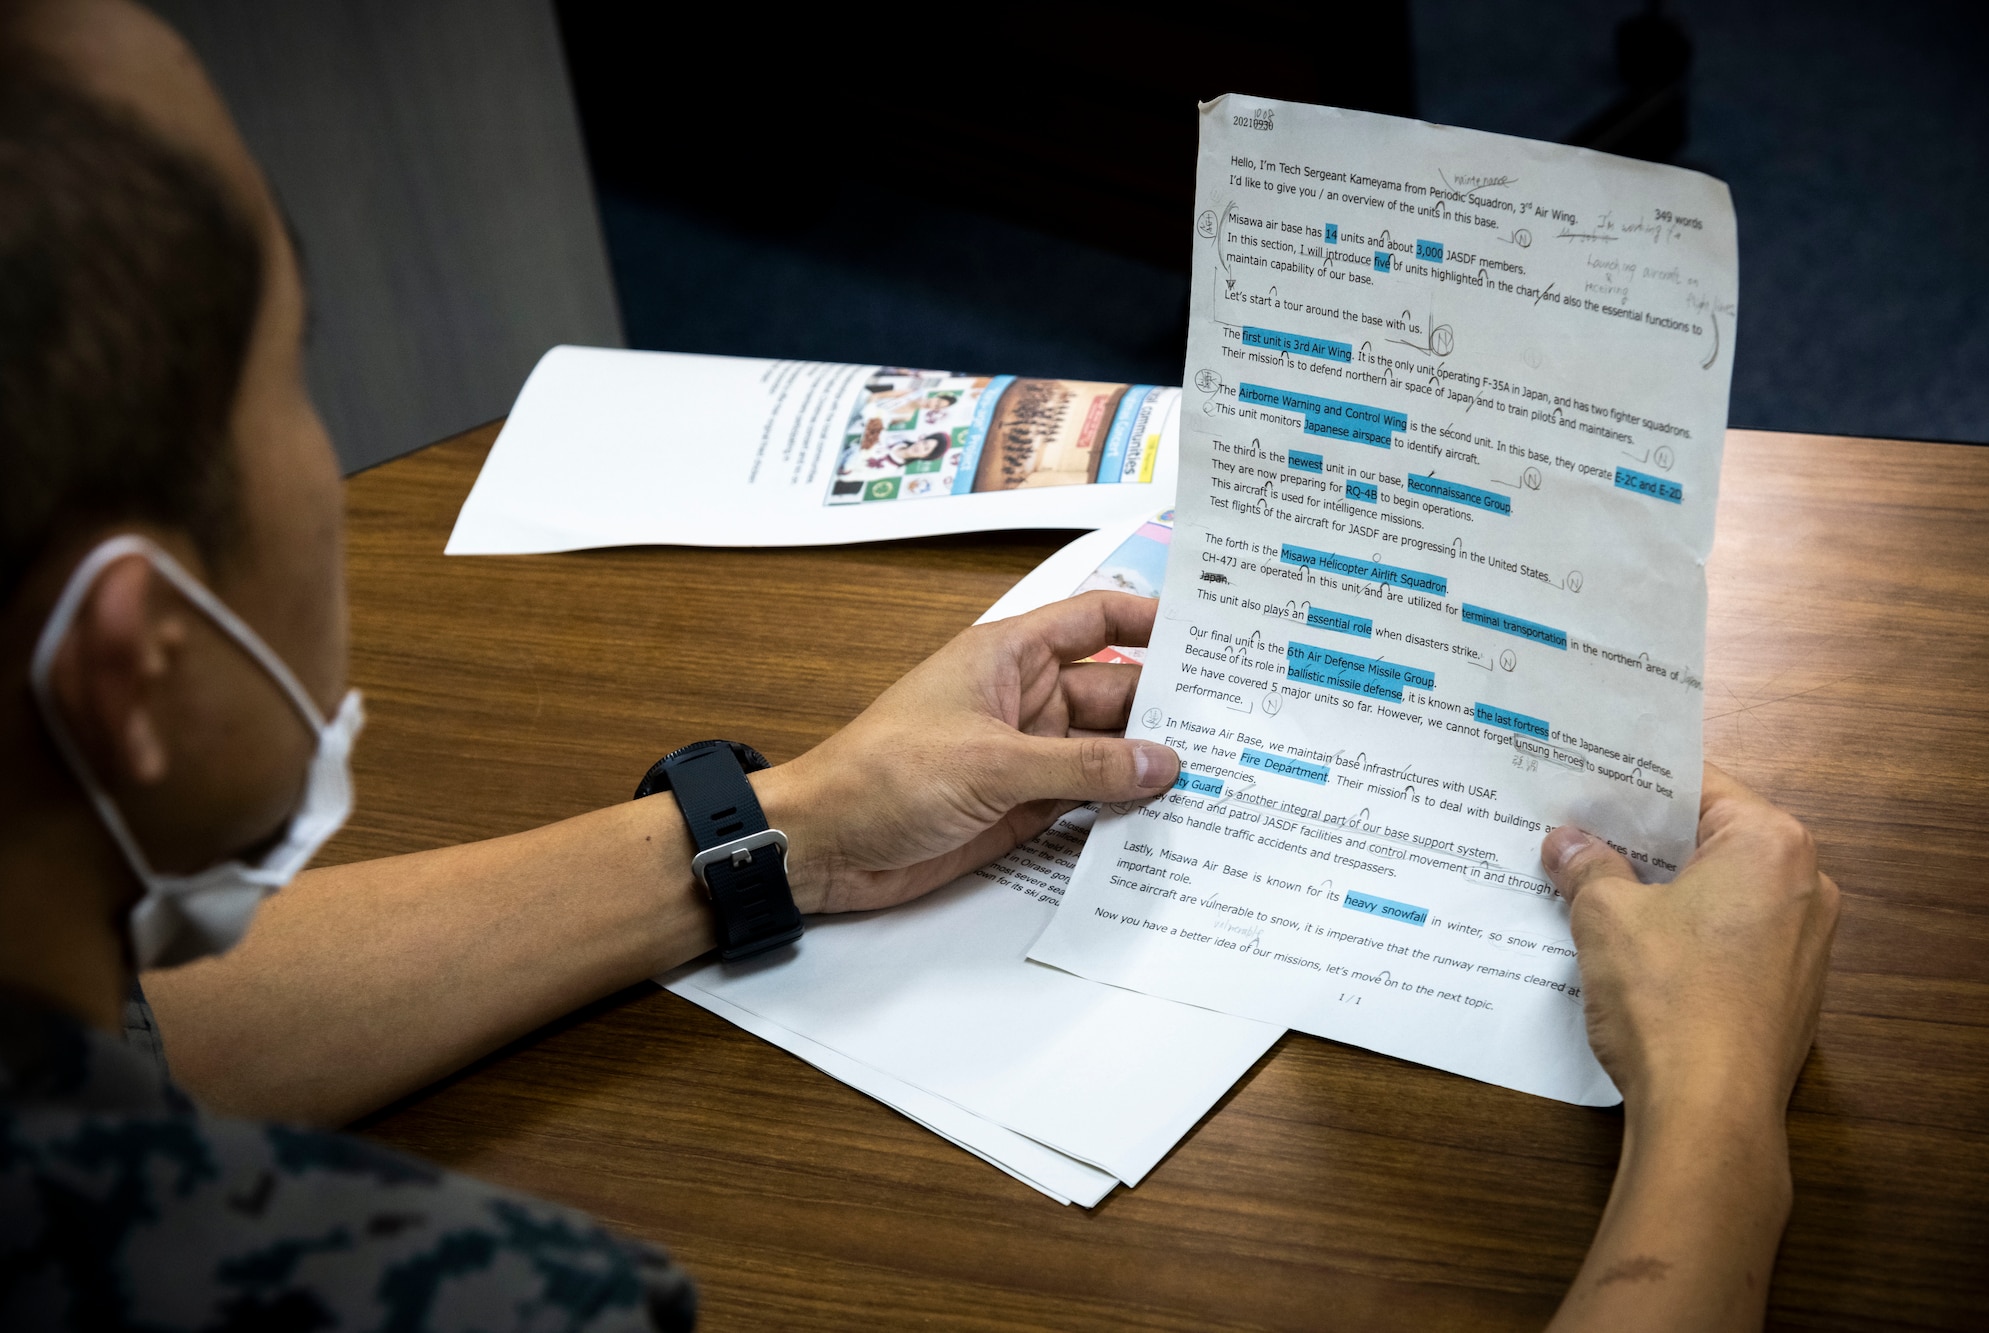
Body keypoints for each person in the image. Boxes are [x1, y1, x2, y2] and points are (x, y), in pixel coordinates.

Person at [0, 3, 1840, 1329]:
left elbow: (146, 1045)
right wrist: (1713, 1126)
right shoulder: (447, 1298)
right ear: (133, 666)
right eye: (297, 384)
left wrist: (776, 828)